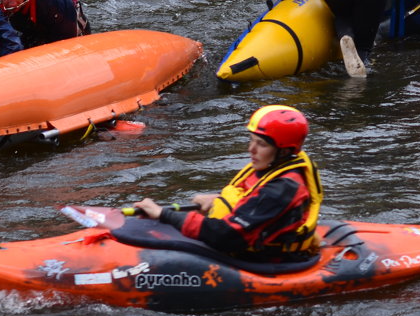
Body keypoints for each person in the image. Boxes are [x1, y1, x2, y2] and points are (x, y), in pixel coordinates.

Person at [130, 105, 322, 263]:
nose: (251, 150)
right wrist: (219, 201)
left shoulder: (282, 188)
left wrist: (163, 214)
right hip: (252, 237)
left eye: (261, 145)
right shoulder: (275, 167)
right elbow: (254, 198)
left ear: (283, 151)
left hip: (265, 258)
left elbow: (226, 236)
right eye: (252, 141)